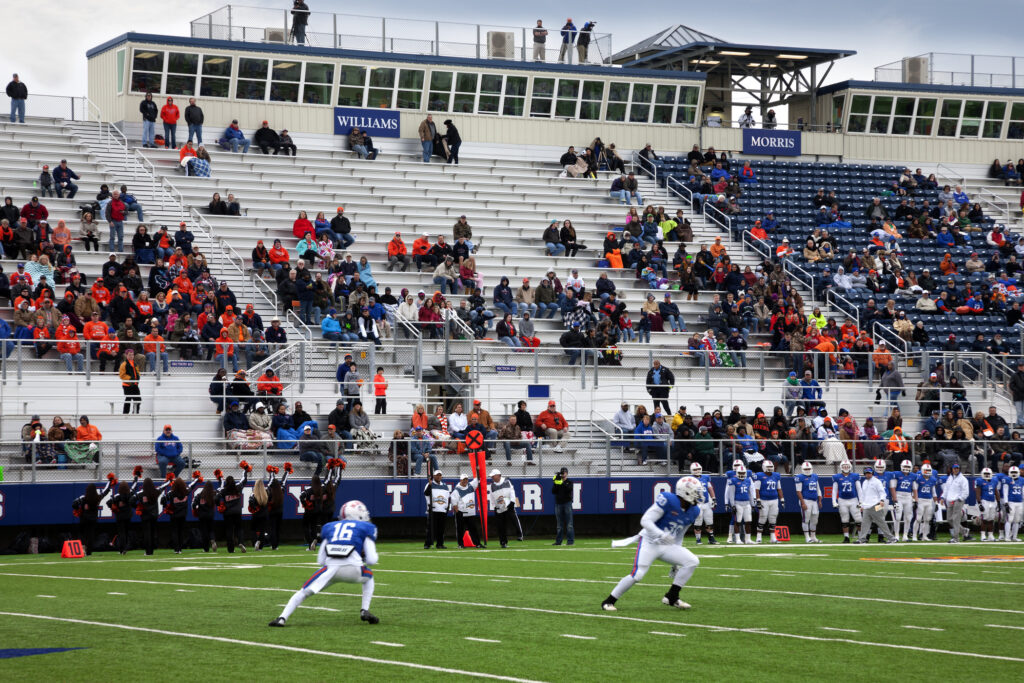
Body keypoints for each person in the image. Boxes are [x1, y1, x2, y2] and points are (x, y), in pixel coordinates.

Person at [271, 499, 379, 627]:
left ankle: (282, 618)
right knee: (369, 577)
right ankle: (364, 610)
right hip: (354, 570)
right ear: (358, 515)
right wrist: (363, 558)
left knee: (304, 592)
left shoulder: (330, 527)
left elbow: (321, 560)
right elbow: (372, 560)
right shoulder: (366, 528)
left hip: (330, 570)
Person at [601, 477, 704, 611]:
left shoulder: (694, 511)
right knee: (638, 575)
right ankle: (609, 601)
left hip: (668, 545)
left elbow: (679, 536)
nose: (698, 495)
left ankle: (672, 596)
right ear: (685, 492)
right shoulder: (668, 500)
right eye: (696, 492)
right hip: (650, 541)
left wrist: (675, 564)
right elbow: (645, 521)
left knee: (692, 561)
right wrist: (660, 534)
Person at [855, 466, 897, 544]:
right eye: (866, 473)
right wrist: (862, 505)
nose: (868, 475)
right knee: (864, 524)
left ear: (872, 473)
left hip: (876, 505)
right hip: (867, 506)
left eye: (869, 473)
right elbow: (864, 496)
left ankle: (892, 538)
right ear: (864, 474)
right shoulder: (864, 482)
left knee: (881, 522)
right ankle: (862, 539)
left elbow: (882, 492)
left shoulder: (877, 481)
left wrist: (881, 500)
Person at [488, 469, 522, 548]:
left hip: (508, 504)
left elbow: (512, 492)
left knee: (514, 519)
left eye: (493, 476)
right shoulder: (492, 485)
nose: (492, 477)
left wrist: (512, 502)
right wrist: (494, 507)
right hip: (499, 507)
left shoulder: (507, 481)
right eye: (491, 476)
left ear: (498, 475)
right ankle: (503, 542)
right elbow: (492, 497)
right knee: (501, 525)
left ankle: (520, 535)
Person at [754, 460, 784, 544]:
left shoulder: (776, 475)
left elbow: (779, 488)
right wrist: (758, 500)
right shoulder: (759, 476)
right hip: (764, 499)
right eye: (768, 467)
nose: (770, 469)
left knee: (773, 518)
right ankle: (758, 537)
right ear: (764, 467)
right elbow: (756, 489)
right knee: (762, 517)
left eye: (771, 467)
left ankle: (773, 538)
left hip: (774, 499)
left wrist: (782, 499)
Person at [832, 460, 861, 543]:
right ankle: (846, 537)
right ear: (841, 467)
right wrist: (834, 501)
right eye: (844, 466)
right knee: (845, 519)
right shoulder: (837, 477)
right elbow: (834, 490)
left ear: (850, 467)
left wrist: (861, 501)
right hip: (842, 500)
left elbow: (859, 490)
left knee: (858, 519)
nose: (846, 468)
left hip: (853, 499)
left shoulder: (855, 476)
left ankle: (860, 537)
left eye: (847, 466)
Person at [940, 462, 969, 543]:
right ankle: (963, 531)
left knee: (956, 519)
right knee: (949, 519)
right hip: (950, 500)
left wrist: (960, 498)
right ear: (952, 469)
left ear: (959, 469)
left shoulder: (963, 479)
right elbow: (946, 489)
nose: (956, 470)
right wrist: (943, 497)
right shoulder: (950, 478)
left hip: (958, 500)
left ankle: (956, 538)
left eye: (957, 468)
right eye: (954, 468)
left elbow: (966, 491)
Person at [450, 474, 482, 548]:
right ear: (460, 480)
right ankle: (460, 544)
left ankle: (477, 544)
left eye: (466, 479)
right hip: (461, 512)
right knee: (460, 529)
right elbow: (454, 502)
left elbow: (477, 479)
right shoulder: (456, 490)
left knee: (473, 529)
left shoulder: (471, 486)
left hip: (470, 512)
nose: (465, 481)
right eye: (463, 479)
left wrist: (478, 470)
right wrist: (457, 511)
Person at [688, 463, 717, 544]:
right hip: (697, 503)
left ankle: (711, 538)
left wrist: (714, 499)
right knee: (698, 521)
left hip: (707, 502)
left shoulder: (705, 477)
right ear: (691, 471)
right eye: (695, 469)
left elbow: (710, 488)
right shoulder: (690, 479)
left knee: (709, 521)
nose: (697, 471)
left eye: (698, 469)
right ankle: (698, 539)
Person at [794, 461, 821, 543]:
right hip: (806, 500)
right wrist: (802, 502)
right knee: (806, 519)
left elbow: (818, 489)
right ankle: (807, 537)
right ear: (802, 469)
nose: (807, 470)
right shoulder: (800, 477)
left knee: (814, 519)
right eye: (805, 469)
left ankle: (813, 537)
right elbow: (798, 491)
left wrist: (819, 500)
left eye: (809, 468)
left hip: (814, 501)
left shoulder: (815, 476)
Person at [912, 463, 939, 541]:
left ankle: (924, 536)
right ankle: (914, 536)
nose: (927, 472)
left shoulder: (933, 479)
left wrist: (936, 503)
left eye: (929, 470)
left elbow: (934, 492)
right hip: (921, 500)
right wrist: (915, 501)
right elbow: (915, 491)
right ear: (923, 471)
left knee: (927, 519)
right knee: (918, 519)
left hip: (929, 501)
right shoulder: (919, 479)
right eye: (926, 470)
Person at [423, 470, 449, 549]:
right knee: (431, 528)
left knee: (441, 528)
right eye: (437, 475)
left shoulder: (445, 485)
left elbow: (447, 497)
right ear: (434, 476)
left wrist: (447, 508)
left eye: (440, 475)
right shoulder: (429, 484)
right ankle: (427, 544)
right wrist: (430, 485)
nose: (438, 476)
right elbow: (426, 493)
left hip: (442, 510)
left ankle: (440, 544)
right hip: (433, 509)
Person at [551, 467, 574, 546]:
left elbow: (569, 489)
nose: (563, 474)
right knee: (559, 525)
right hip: (558, 504)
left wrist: (562, 482)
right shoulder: (558, 481)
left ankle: (570, 541)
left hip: (567, 503)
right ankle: (558, 541)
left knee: (569, 524)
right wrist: (556, 482)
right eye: (562, 473)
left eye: (564, 473)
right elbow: (553, 491)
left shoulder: (569, 482)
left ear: (567, 473)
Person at [118, 348, 141, 414]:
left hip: (135, 384)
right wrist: (131, 379)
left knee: (138, 400)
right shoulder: (124, 364)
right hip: (127, 385)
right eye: (130, 355)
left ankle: (135, 413)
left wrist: (137, 377)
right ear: (126, 355)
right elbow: (122, 375)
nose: (131, 356)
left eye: (132, 355)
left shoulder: (134, 363)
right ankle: (125, 413)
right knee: (128, 399)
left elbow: (137, 372)